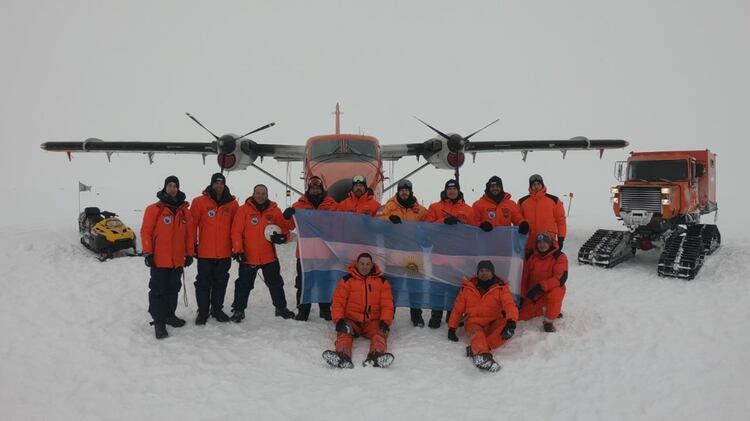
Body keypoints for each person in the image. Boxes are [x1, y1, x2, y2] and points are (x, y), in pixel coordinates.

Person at [229, 184, 295, 322]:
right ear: (253, 194)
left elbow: (285, 229)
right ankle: (239, 310)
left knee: (276, 283)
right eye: (258, 193)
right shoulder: (243, 210)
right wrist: (238, 250)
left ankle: (281, 308)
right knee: (243, 285)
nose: (261, 196)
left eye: (263, 193)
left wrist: (283, 237)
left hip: (268, 257)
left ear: (267, 194)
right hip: (248, 256)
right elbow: (236, 232)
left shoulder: (275, 211)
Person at [141, 175, 195, 339]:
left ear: (178, 188)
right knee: (158, 290)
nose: (172, 188)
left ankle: (169, 315)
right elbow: (146, 232)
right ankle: (159, 322)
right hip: (159, 259)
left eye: (175, 186)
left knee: (173, 289)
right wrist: (148, 252)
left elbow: (190, 235)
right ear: (165, 187)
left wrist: (189, 254)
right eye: (170, 185)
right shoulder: (154, 209)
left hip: (177, 260)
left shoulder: (184, 211)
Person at [322, 253, 395, 368]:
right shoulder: (347, 281)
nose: (364, 267)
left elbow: (387, 304)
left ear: (372, 265)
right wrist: (339, 320)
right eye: (362, 263)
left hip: (372, 321)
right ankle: (342, 356)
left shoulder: (382, 282)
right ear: (357, 264)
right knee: (345, 333)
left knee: (380, 334)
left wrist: (385, 321)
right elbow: (338, 302)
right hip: (352, 321)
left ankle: (376, 356)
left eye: (367, 264)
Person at [282, 176, 340, 321]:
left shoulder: (332, 204)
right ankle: (303, 310)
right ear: (308, 189)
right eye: (313, 188)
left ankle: (325, 309)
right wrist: (287, 216)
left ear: (322, 189)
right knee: (303, 283)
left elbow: (341, 222)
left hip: (325, 252)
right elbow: (290, 226)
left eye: (317, 188)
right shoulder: (298, 205)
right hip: (305, 252)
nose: (315, 190)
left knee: (324, 282)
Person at [446, 261, 518, 372]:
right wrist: (452, 327)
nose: (484, 273)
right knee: (477, 334)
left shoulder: (501, 288)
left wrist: (511, 322)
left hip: (494, 321)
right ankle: (482, 356)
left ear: (492, 273)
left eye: (487, 271)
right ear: (477, 273)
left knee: (505, 328)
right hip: (474, 322)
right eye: (481, 271)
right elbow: (457, 308)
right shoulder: (467, 288)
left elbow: (509, 305)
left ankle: (480, 347)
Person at [424, 179, 476, 328]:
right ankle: (436, 315)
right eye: (449, 189)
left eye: (454, 189)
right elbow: (427, 228)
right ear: (445, 191)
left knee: (456, 289)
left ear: (458, 190)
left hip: (459, 257)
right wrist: (443, 221)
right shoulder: (435, 207)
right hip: (439, 256)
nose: (452, 191)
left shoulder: (468, 209)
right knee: (437, 288)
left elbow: (473, 232)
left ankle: (452, 314)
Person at [190, 173, 239, 325]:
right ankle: (203, 311)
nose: (219, 186)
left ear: (224, 185)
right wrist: (193, 245)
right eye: (216, 183)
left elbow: (236, 228)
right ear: (211, 184)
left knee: (221, 282)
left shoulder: (232, 204)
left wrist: (236, 248)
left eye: (221, 183)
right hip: (205, 252)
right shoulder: (199, 202)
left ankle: (217, 309)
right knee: (203, 283)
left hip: (224, 253)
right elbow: (192, 225)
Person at [380, 179, 429, 327]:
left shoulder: (420, 210)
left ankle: (416, 315)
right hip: (394, 254)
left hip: (415, 255)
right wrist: (389, 219)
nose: (404, 192)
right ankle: (390, 314)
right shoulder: (389, 206)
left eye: (407, 190)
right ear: (398, 191)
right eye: (402, 189)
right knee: (393, 287)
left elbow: (428, 227)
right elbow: (379, 221)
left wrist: (424, 238)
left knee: (416, 287)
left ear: (411, 191)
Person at [519, 232, 568, 332]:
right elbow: (524, 278)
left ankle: (548, 321)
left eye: (545, 242)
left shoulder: (559, 256)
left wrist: (541, 286)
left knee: (555, 294)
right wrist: (522, 296)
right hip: (535, 292)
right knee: (521, 316)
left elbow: (560, 279)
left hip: (551, 290)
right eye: (539, 242)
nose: (542, 245)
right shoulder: (531, 257)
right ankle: (546, 308)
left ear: (550, 243)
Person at [518, 174, 567, 252]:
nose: (536, 186)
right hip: (529, 244)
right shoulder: (522, 202)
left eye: (538, 184)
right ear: (530, 186)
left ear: (542, 184)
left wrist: (561, 238)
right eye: (534, 184)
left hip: (548, 244)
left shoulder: (554, 200)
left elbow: (561, 221)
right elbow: (518, 221)